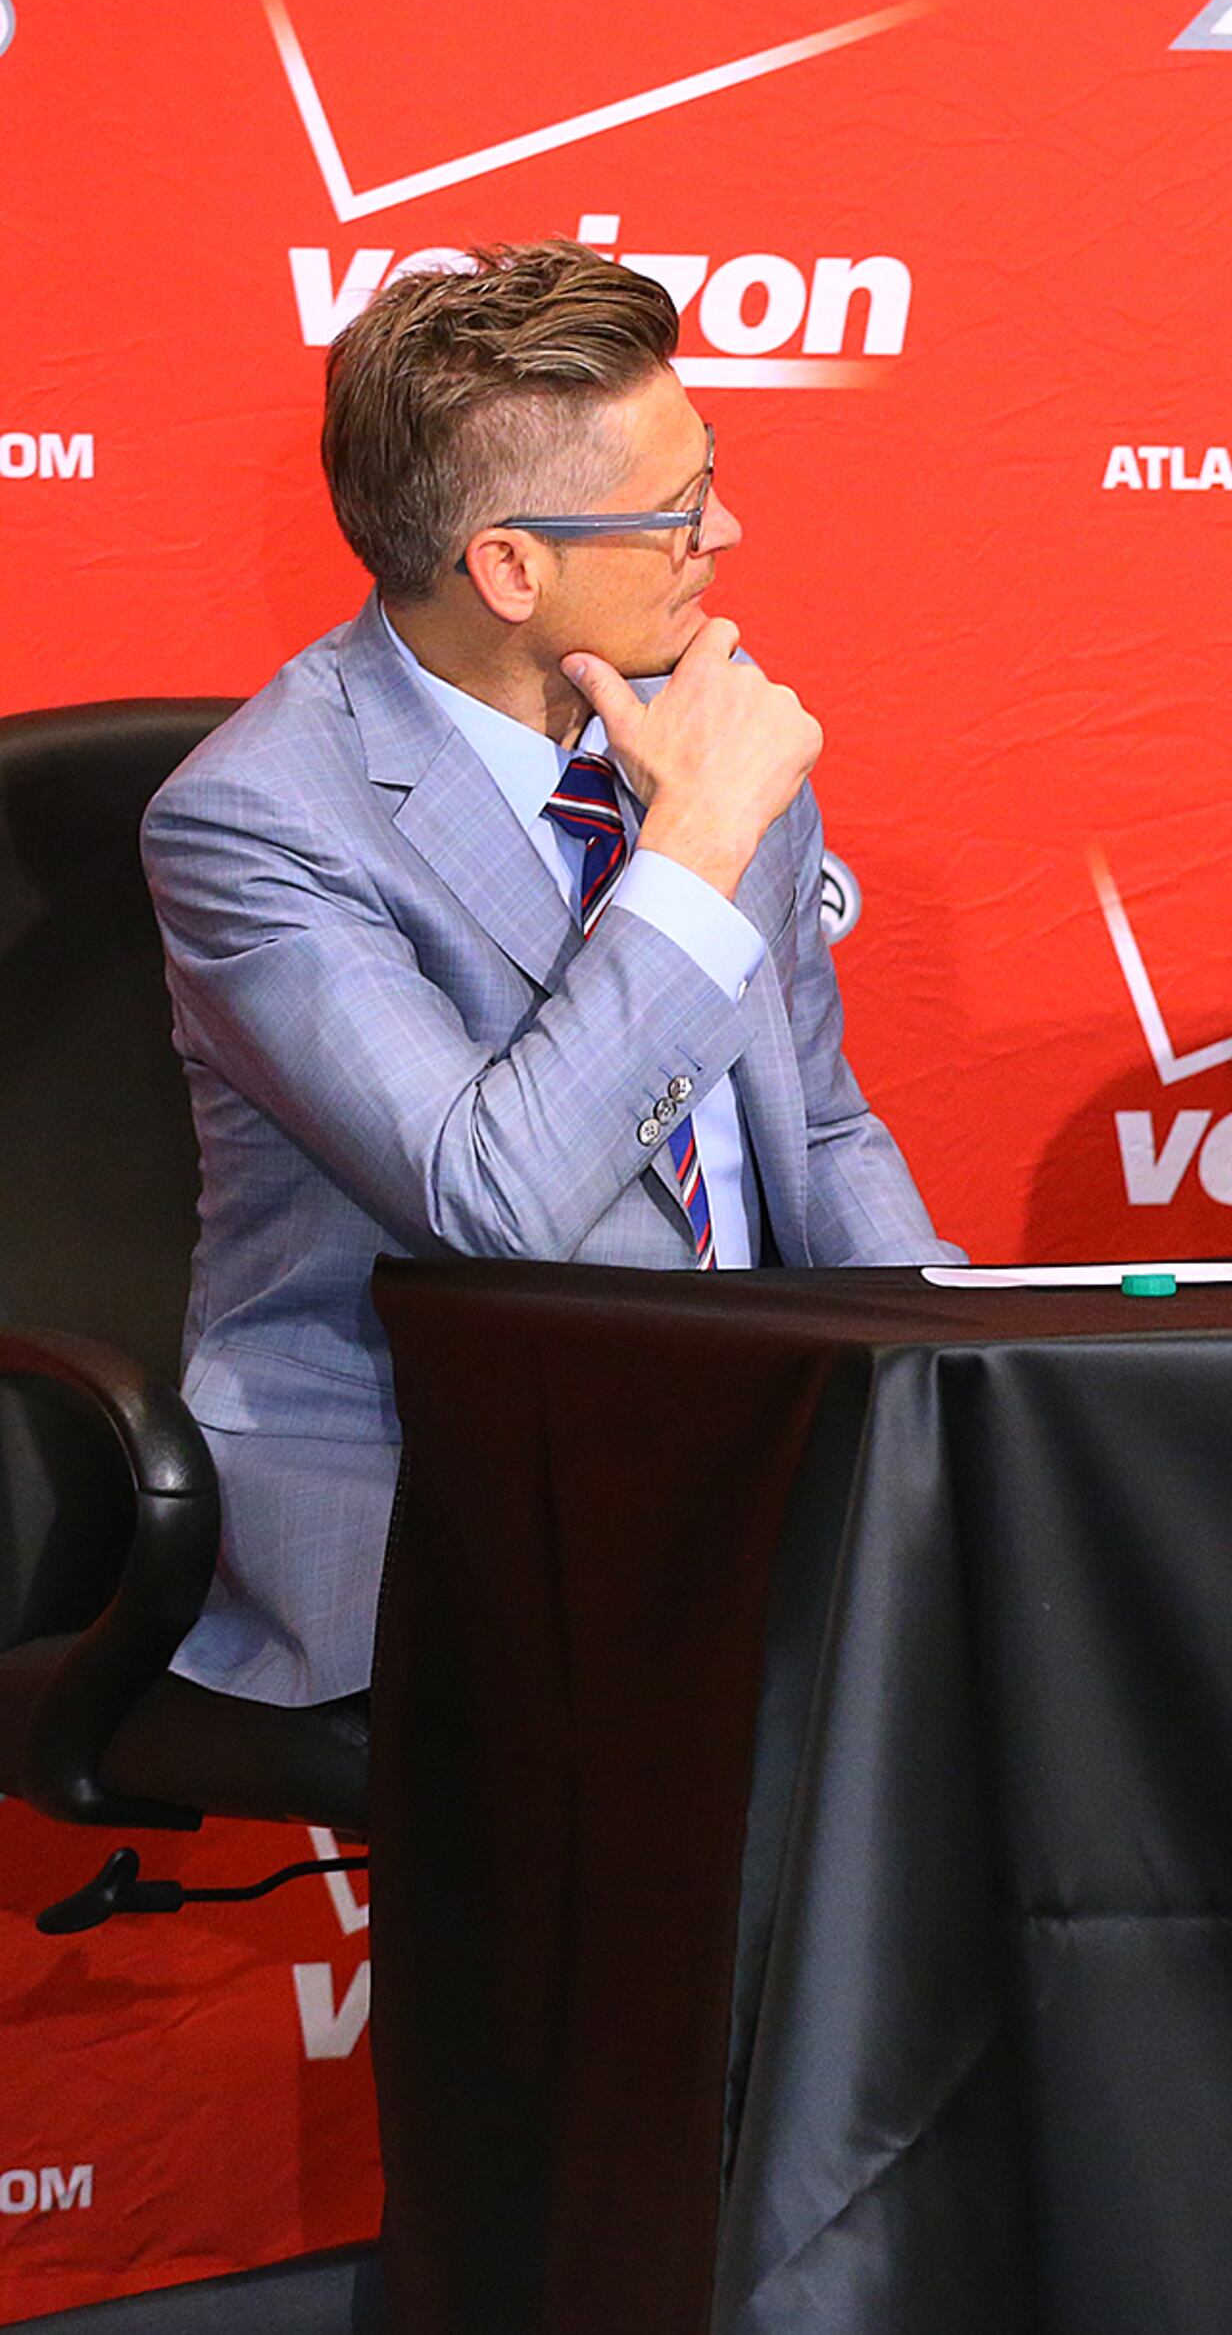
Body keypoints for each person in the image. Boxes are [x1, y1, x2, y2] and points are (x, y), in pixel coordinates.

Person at [146, 242, 953, 1709]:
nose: (730, 530)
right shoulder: (257, 820)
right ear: (510, 567)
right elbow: (489, 1199)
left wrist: (966, 1374)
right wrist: (696, 849)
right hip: (441, 1503)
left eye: (711, 474)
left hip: (743, 1466)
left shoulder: (693, 716)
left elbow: (818, 1132)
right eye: (679, 512)